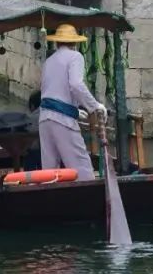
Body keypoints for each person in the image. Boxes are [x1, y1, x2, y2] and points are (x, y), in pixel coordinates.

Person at [36, 24, 106, 182]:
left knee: (49, 170)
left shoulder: (49, 61)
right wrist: (94, 106)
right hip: (62, 119)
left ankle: (49, 195)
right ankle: (89, 193)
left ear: (57, 42)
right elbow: (75, 84)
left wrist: (75, 111)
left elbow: (49, 90)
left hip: (45, 118)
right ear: (74, 42)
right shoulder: (75, 56)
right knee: (81, 166)